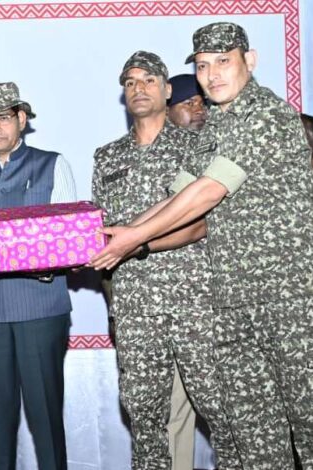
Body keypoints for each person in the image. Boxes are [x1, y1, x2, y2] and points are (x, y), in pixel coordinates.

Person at [90, 22, 312, 468]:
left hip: (286, 302)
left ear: (250, 61)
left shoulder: (264, 115)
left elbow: (208, 191)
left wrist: (133, 239)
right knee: (258, 440)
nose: (212, 74)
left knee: (307, 426)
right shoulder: (213, 128)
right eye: (204, 65)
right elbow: (177, 196)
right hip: (232, 304)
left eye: (223, 61)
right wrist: (118, 236)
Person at [91, 52, 239, 469]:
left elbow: (207, 223)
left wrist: (137, 245)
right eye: (130, 83)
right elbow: (102, 233)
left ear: (167, 89)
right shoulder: (107, 156)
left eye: (148, 80)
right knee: (143, 414)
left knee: (220, 408)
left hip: (196, 301)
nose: (138, 89)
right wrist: (111, 301)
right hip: (134, 306)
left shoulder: (198, 147)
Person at [0, 82, 76, 470]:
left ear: (22, 119)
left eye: (3, 117)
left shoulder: (52, 164)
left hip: (41, 307)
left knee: (46, 421)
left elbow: (71, 241)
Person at [164, 72, 208, 470]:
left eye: (201, 102)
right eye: (187, 103)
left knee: (242, 414)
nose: (198, 109)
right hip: (172, 311)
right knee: (175, 417)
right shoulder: (150, 160)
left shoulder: (225, 152)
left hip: (226, 308)